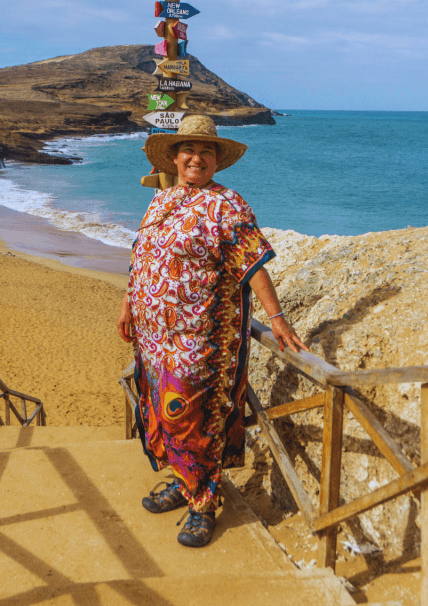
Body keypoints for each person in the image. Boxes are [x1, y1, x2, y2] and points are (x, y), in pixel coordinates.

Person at [117, 115, 310, 548]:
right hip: (152, 337)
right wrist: (129, 301)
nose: (196, 158)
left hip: (197, 338)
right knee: (159, 412)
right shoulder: (163, 199)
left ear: (217, 161)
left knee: (190, 419)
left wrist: (277, 318)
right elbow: (141, 253)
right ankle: (184, 482)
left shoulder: (227, 205)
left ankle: (203, 504)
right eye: (189, 150)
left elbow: (252, 264)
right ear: (175, 157)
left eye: (206, 152)